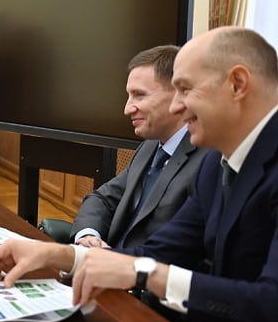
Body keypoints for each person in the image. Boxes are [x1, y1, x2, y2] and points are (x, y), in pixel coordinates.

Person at [0, 26, 278, 322]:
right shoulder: (215, 165)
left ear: (237, 84)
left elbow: (270, 305)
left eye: (185, 89)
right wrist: (56, 255)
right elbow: (158, 253)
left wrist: (146, 273)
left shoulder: (213, 160)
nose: (177, 107)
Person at [71, 45, 208, 249]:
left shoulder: (208, 160)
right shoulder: (150, 146)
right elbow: (103, 199)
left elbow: (184, 251)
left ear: (178, 95)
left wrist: (110, 260)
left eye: (140, 95)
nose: (127, 109)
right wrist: (89, 234)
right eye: (129, 95)